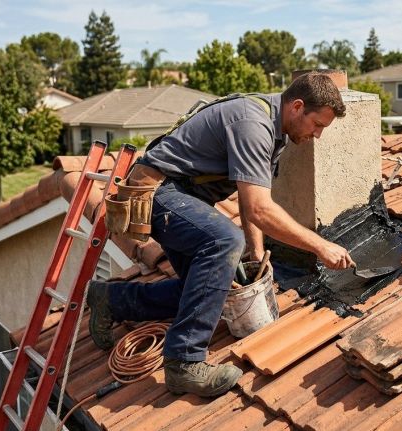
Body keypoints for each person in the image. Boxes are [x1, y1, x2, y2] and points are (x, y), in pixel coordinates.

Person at [86, 72, 354, 397]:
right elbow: (259, 210)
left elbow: (249, 198)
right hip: (158, 192)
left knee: (204, 289)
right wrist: (321, 247)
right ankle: (184, 361)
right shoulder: (253, 124)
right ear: (297, 107)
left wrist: (256, 255)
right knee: (224, 241)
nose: (318, 135)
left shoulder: (276, 132)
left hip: (181, 197)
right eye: (318, 125)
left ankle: (112, 300)